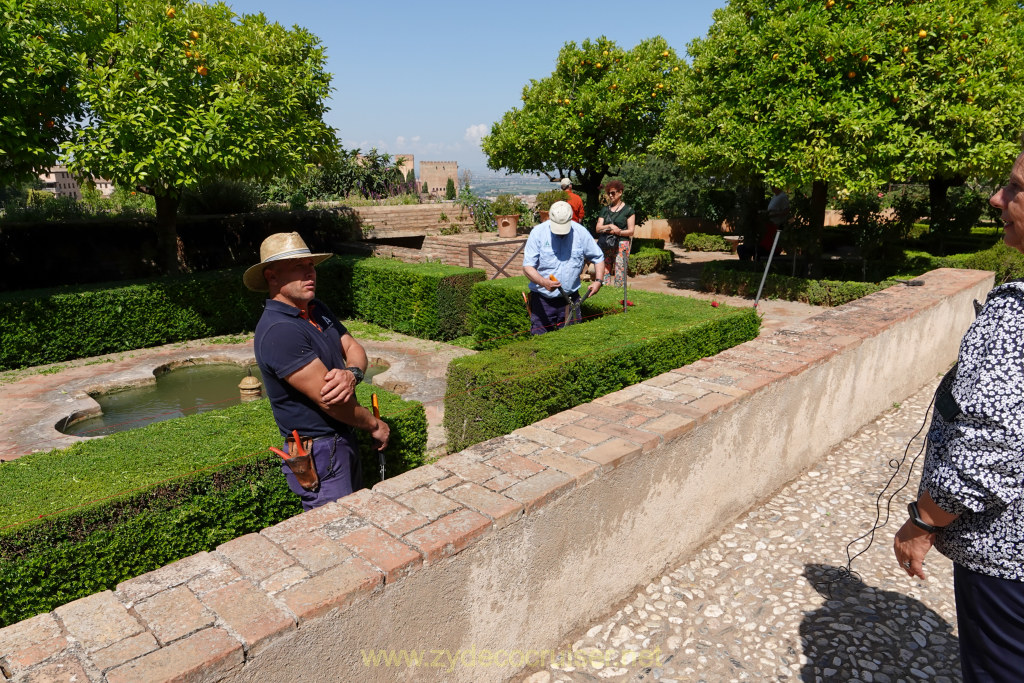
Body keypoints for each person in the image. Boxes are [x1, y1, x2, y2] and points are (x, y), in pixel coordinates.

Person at [893, 150, 1024, 681]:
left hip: (1008, 561)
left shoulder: (1015, 317)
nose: (997, 198)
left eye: (1014, 188)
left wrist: (923, 522)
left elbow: (992, 450)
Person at [245, 232, 390, 510]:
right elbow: (333, 403)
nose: (310, 273)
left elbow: (355, 349)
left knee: (356, 523)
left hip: (341, 441)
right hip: (321, 454)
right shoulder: (280, 331)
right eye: (298, 267)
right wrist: (375, 426)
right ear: (272, 277)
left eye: (310, 265)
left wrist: (352, 374)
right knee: (338, 534)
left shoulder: (315, 308)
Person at [522, 201, 605, 334]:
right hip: (542, 301)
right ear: (549, 217)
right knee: (540, 344)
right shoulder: (538, 233)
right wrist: (544, 283)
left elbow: (598, 257)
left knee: (572, 342)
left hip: (570, 300)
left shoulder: (580, 232)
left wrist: (599, 281)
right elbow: (527, 267)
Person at [595, 180, 635, 295]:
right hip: (606, 244)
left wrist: (618, 232)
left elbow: (631, 231)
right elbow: (598, 228)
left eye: (613, 193)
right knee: (605, 270)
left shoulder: (628, 210)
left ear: (620, 192)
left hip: (621, 244)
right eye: (609, 193)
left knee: (620, 272)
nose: (610, 195)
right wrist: (610, 226)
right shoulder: (605, 210)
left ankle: (617, 297)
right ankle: (605, 294)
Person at [738, 186, 788, 261]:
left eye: (773, 185)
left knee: (753, 251)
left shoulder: (783, 197)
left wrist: (771, 215)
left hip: (770, 246)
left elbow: (786, 211)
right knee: (743, 248)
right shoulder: (775, 196)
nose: (771, 187)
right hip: (765, 242)